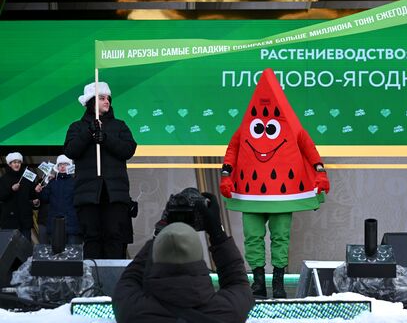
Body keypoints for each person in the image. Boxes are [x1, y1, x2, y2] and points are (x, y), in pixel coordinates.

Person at [219, 68, 330, 298]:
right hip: (251, 196)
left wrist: (320, 171)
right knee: (253, 237)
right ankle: (258, 282)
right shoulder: (246, 127)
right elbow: (234, 148)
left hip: (283, 195)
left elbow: (308, 147)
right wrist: (226, 173)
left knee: (281, 237)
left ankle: (278, 283)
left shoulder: (293, 126)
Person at [112, 192, 254, 323]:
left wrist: (160, 233)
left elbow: (131, 277)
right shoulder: (227, 312)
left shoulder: (132, 311)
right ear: (200, 259)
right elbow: (237, 281)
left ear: (155, 258)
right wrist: (217, 232)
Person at [64, 82, 137, 259]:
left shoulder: (119, 125)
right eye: (102, 98)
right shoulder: (77, 127)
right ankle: (93, 282)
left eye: (108, 98)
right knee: (92, 238)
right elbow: (71, 150)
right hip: (88, 194)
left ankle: (113, 283)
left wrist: (105, 138)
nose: (107, 101)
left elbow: (128, 150)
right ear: (91, 102)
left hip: (114, 193)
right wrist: (89, 133)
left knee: (114, 237)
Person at [37, 155, 81, 244]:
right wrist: (40, 191)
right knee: (56, 254)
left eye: (65, 164)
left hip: (71, 223)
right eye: (60, 164)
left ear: (70, 166)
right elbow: (45, 199)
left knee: (72, 254)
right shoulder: (51, 182)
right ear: (57, 167)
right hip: (55, 224)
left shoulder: (76, 182)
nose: (63, 166)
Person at [0, 152, 41, 241]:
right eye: (14, 162)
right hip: (10, 221)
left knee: (25, 248)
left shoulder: (27, 177)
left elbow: (32, 195)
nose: (17, 164)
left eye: (18, 162)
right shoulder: (4, 179)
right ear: (9, 164)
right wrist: (11, 189)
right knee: (10, 249)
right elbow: (1, 196)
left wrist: (36, 193)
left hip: (25, 220)